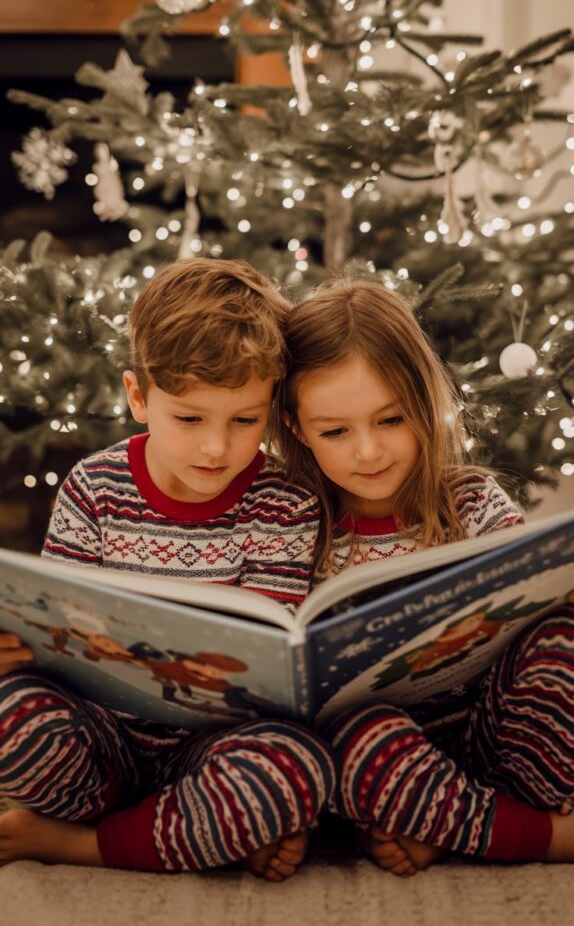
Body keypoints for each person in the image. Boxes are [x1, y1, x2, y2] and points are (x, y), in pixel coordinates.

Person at [0, 258, 334, 881]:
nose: (217, 447)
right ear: (137, 396)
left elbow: (268, 658)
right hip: (102, 742)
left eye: (245, 420)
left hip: (217, 746)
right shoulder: (93, 486)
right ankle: (194, 832)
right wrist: (21, 651)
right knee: (10, 716)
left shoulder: (286, 502)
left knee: (297, 766)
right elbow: (52, 629)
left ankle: (81, 845)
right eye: (189, 418)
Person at [275, 275, 574, 877]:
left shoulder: (470, 502)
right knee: (362, 739)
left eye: (391, 420)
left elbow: (537, 609)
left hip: (490, 748)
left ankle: (459, 821)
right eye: (335, 431)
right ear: (297, 427)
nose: (368, 452)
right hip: (373, 755)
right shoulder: (288, 525)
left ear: (425, 400)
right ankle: (515, 834)